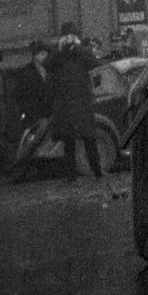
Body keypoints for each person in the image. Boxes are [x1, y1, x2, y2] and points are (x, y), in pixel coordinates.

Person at [46, 22, 103, 179]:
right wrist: (60, 50)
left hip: (81, 101)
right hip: (66, 102)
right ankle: (71, 173)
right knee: (68, 140)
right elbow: (48, 64)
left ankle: (96, 170)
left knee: (89, 138)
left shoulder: (81, 52)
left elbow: (94, 63)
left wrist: (78, 48)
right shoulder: (58, 54)